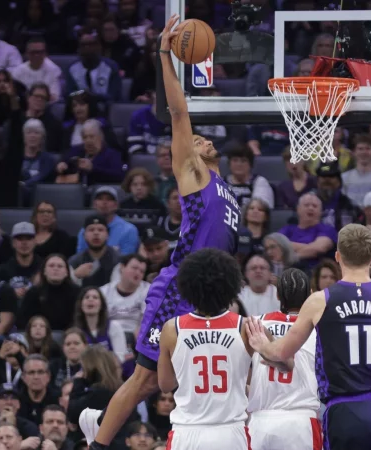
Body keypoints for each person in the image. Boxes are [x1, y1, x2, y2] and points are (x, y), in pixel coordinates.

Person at [84, 15, 241, 449]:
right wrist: (164, 56)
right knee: (146, 380)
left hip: (210, 292)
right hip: (178, 288)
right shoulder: (192, 173)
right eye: (196, 139)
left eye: (203, 139)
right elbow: (178, 111)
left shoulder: (228, 190)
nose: (201, 140)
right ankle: (97, 442)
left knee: (191, 377)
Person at [246, 223, 371, 450]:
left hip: (343, 409)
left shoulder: (320, 300)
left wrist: (262, 344)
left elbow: (281, 353)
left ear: (338, 256)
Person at [154, 248, 265, 449]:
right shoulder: (245, 327)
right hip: (230, 433)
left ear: (188, 286)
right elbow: (274, 368)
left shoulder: (172, 328)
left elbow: (165, 385)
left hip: (186, 433)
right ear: (230, 286)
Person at [247, 269, 322, 450]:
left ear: (278, 295)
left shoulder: (255, 324)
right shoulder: (320, 329)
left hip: (260, 423)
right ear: (310, 294)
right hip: (301, 422)